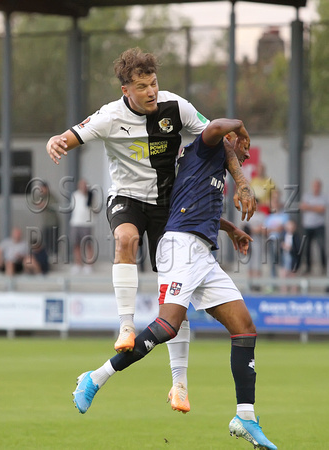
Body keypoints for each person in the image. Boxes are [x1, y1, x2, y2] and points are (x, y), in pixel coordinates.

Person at [46, 47, 256, 411]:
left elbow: (217, 139)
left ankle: (179, 385)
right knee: (125, 238)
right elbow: (70, 137)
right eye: (142, 86)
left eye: (154, 83)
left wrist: (239, 183)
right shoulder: (109, 116)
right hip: (127, 197)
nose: (151, 92)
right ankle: (126, 326)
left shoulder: (177, 108)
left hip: (167, 206)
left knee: (174, 299)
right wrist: (56, 141)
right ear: (125, 89)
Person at [72, 121, 276, 450]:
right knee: (167, 325)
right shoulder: (206, 146)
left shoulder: (211, 170)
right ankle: (95, 378)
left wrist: (230, 230)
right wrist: (239, 132)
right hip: (179, 248)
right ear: (229, 140)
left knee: (245, 329)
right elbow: (218, 125)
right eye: (244, 144)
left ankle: (245, 417)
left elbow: (197, 210)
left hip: (203, 256)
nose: (247, 152)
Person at [299, 179, 327, 275]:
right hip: (308, 225)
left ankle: (323, 267)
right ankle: (308, 267)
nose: (316, 188)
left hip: (319, 226)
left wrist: (310, 207)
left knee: (321, 246)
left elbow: (322, 209)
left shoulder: (323, 197)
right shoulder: (307, 196)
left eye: (318, 186)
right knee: (307, 247)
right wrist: (315, 207)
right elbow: (302, 207)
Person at [69, 178, 95, 274]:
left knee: (88, 245)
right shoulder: (75, 195)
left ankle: (89, 264)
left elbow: (93, 207)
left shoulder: (90, 195)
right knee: (76, 244)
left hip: (87, 223)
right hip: (76, 223)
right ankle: (77, 264)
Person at [264, 189, 288, 280]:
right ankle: (273, 280)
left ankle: (283, 280)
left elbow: (282, 228)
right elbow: (265, 230)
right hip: (271, 241)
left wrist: (272, 229)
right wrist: (275, 229)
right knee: (272, 262)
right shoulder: (269, 217)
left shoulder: (284, 216)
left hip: (281, 241)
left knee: (282, 261)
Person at [280, 219, 302, 294]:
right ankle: (284, 291)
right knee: (284, 275)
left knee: (293, 276)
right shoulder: (283, 236)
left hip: (293, 259)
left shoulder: (296, 237)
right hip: (285, 257)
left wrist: (290, 248)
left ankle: (294, 292)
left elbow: (298, 249)